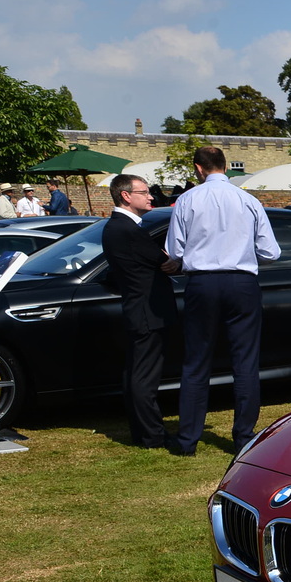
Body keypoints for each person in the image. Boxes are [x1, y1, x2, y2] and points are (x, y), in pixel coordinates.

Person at [165, 145, 280, 457]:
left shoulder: (187, 200)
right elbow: (272, 252)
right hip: (242, 282)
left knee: (196, 362)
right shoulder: (248, 199)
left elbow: (175, 251)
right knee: (245, 362)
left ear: (199, 169)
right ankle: (243, 437)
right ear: (224, 166)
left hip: (201, 282)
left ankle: (188, 440)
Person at [102, 174, 181, 449]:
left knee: (137, 374)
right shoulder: (127, 229)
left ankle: (143, 432)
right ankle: (152, 435)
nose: (150, 196)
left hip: (140, 309)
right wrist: (172, 260)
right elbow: (164, 261)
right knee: (144, 377)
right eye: (144, 192)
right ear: (126, 196)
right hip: (147, 311)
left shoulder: (118, 227)